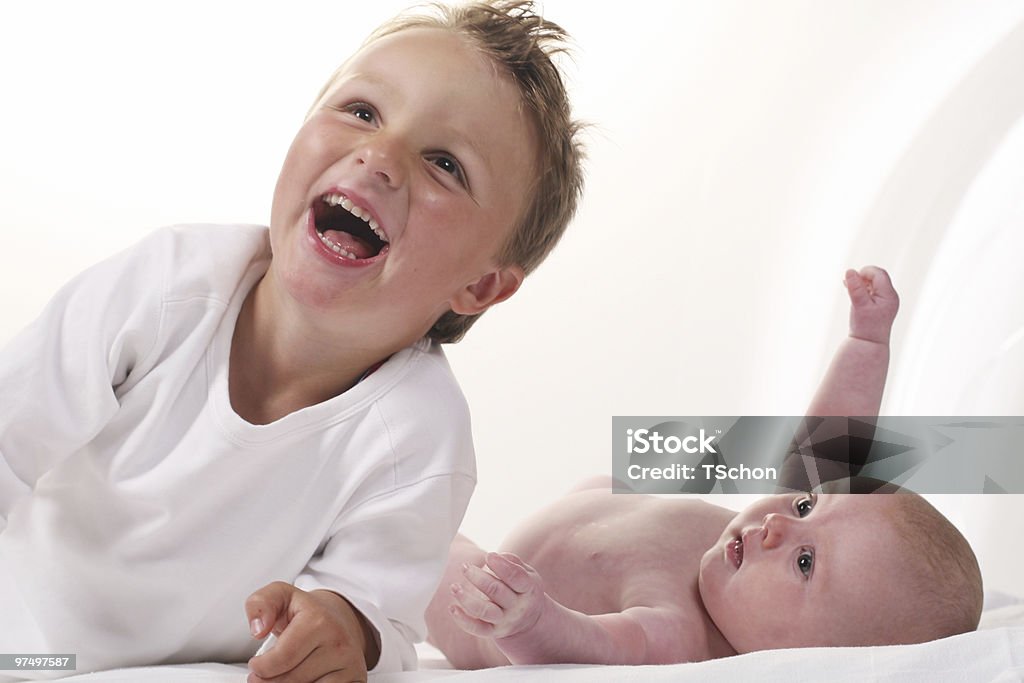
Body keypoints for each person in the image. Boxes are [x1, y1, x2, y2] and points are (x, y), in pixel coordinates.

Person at [0, 2, 584, 681]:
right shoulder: (168, 289)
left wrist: (342, 623)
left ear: (481, 287)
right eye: (363, 111)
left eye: (444, 163)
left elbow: (382, 613)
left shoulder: (420, 435)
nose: (381, 156)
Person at [426, 267, 985, 668]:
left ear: (814, 654)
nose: (779, 526)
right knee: (617, 481)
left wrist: (527, 620)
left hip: (505, 585)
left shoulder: (677, 635)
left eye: (806, 562)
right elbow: (832, 446)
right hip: (597, 513)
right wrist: (868, 341)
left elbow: (587, 645)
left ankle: (431, 559)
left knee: (428, 561)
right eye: (807, 508)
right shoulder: (751, 553)